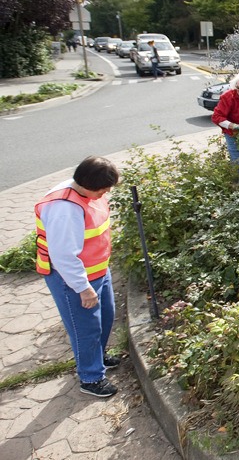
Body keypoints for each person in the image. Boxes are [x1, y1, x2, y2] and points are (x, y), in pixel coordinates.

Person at [34, 156, 121, 397]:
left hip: (98, 270)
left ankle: (98, 357)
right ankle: (91, 378)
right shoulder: (65, 209)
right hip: (72, 280)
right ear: (88, 184)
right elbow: (63, 256)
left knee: (105, 317)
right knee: (85, 328)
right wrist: (83, 288)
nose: (107, 193)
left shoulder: (86, 192)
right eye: (104, 189)